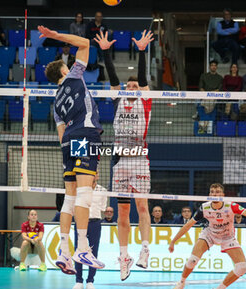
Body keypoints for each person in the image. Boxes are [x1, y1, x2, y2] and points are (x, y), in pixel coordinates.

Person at [39, 25, 104, 274]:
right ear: (64, 70)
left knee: (70, 196)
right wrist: (56, 35)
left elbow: (60, 135)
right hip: (86, 133)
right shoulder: (75, 76)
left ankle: (64, 251)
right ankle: (83, 246)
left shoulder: (55, 101)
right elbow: (86, 43)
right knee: (85, 193)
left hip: (68, 142)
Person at [94, 29, 154, 280]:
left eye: (134, 85)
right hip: (119, 160)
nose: (130, 87)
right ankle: (123, 256)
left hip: (139, 158)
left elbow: (141, 78)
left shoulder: (146, 100)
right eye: (128, 85)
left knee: (142, 207)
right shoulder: (118, 100)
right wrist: (106, 52)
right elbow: (113, 77)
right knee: (121, 214)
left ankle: (145, 251)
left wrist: (141, 52)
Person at [169, 183, 246, 289]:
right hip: (209, 234)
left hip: (227, 236)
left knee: (242, 267)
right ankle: (181, 282)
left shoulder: (231, 206)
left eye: (218, 192)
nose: (215, 195)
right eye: (212, 192)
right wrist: (173, 241)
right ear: (209, 195)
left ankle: (220, 288)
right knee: (192, 260)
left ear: (223, 195)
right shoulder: (204, 208)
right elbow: (188, 225)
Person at [73, 171, 107, 289]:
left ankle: (90, 281)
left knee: (94, 251)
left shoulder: (102, 190)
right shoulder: (79, 189)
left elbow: (103, 207)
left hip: (95, 223)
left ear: (98, 175)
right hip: (80, 223)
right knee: (79, 250)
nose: (94, 175)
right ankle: (78, 281)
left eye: (97, 173)